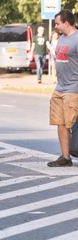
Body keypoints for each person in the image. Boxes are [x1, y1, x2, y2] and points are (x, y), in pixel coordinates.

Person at [47, 10, 78, 167]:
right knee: (61, 123)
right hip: (60, 87)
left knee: (72, 123)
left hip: (74, 87)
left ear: (66, 23)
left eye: (58, 23)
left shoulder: (77, 38)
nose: (56, 27)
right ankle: (65, 157)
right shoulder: (62, 39)